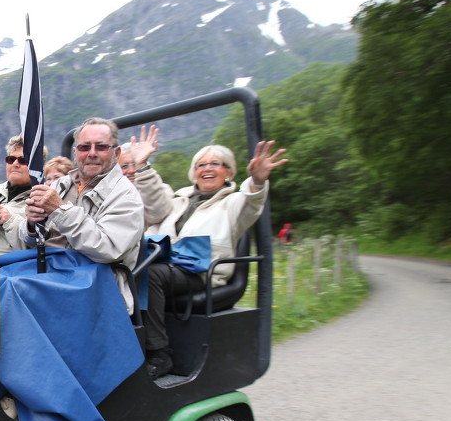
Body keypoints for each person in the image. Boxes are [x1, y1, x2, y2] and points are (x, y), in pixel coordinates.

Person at [141, 140, 288, 379]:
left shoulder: (232, 204)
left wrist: (258, 181)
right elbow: (154, 202)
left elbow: (252, 202)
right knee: (121, 271)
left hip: (199, 272)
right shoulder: (178, 200)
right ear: (194, 172)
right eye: (201, 164)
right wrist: (142, 166)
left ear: (228, 171)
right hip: (165, 263)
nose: (207, 169)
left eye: (215, 164)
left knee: (149, 275)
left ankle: (159, 353)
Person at [19, 117, 145, 311]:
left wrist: (60, 210)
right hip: (50, 272)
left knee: (14, 293)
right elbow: (28, 239)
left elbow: (107, 249)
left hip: (95, 282)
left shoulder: (126, 195)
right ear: (75, 152)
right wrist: (31, 223)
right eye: (85, 147)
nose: (92, 153)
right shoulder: (60, 185)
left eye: (101, 147)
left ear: (116, 153)